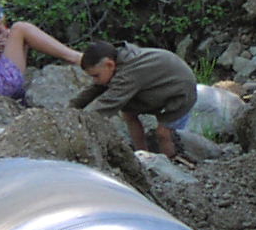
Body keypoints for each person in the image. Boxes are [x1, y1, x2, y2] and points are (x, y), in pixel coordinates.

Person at [70, 41, 198, 159]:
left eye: (96, 76)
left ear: (110, 64)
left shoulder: (129, 73)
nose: (95, 80)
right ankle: (141, 155)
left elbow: (105, 105)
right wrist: (72, 107)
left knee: (163, 133)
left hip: (180, 93)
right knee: (128, 113)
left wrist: (80, 124)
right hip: (159, 88)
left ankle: (169, 161)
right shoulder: (119, 61)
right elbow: (95, 88)